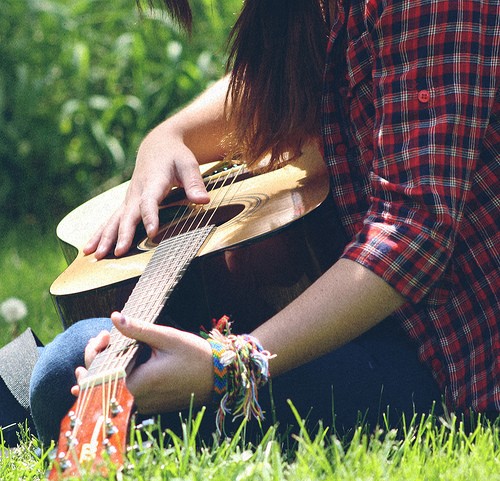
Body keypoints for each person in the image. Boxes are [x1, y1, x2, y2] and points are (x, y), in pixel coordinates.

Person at [26, 0, 499, 446]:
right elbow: (287, 83)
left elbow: (413, 236)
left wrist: (229, 366)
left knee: (71, 373)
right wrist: (169, 136)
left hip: (443, 357)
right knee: (72, 367)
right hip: (360, 317)